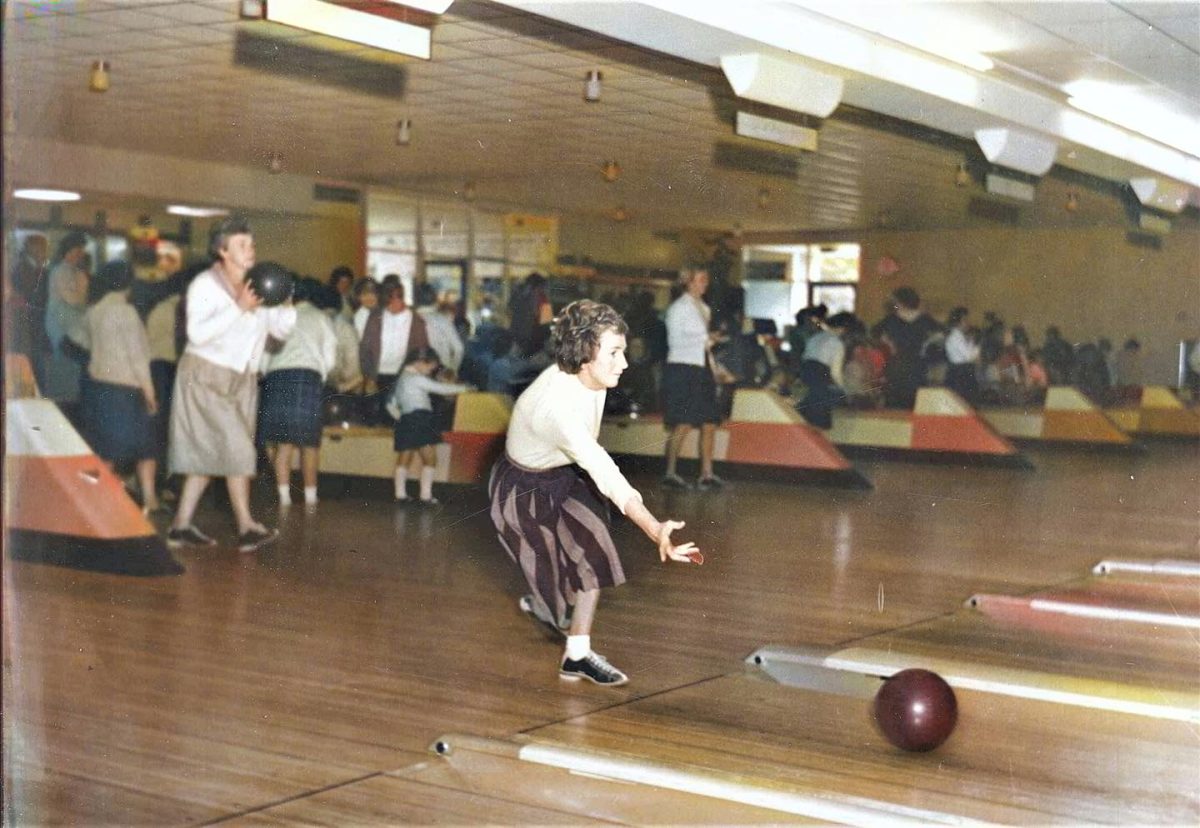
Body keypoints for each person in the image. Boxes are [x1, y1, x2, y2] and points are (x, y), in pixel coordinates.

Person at [488, 299, 700, 687]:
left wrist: (652, 526)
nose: (624, 363)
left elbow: (594, 464)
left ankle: (578, 655)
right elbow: (602, 467)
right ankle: (542, 605)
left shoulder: (594, 376)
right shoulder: (556, 407)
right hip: (521, 492)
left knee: (595, 549)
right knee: (554, 603)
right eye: (614, 353)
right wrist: (653, 529)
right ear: (585, 355)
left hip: (563, 474)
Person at [167, 218, 296, 552]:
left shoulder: (258, 285)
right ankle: (247, 527)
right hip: (205, 375)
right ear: (222, 250)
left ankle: (180, 526)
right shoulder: (205, 285)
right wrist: (239, 307)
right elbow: (197, 334)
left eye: (251, 244)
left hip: (242, 379)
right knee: (238, 450)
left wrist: (284, 303)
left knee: (208, 457)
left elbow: (280, 334)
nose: (250, 250)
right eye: (242, 245)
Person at [69, 260, 162, 514]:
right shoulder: (126, 312)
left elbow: (80, 341)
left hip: (99, 388)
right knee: (147, 447)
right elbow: (138, 357)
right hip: (126, 390)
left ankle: (94, 501)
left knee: (104, 450)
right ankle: (150, 499)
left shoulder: (94, 310)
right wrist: (150, 393)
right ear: (129, 284)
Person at [260, 277, 337, 507]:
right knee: (309, 444)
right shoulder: (320, 316)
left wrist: (267, 372)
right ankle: (311, 498)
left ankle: (284, 498)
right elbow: (330, 352)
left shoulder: (276, 317)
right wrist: (320, 373)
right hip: (307, 377)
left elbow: (265, 353)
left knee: (282, 444)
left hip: (277, 377)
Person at [661, 267, 724, 489]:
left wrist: (714, 367)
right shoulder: (678, 308)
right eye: (700, 279)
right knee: (684, 421)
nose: (704, 283)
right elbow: (675, 341)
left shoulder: (704, 308)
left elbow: (703, 344)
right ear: (688, 282)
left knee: (709, 422)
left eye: (706, 279)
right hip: (683, 368)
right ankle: (670, 473)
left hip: (701, 367)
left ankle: (706, 474)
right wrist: (706, 338)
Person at [387, 346, 470, 504]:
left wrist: (403, 416)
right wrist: (465, 388)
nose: (430, 371)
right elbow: (440, 389)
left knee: (405, 457)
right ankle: (425, 496)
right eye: (429, 367)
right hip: (420, 419)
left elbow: (392, 404)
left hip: (406, 419)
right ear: (419, 362)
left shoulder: (402, 378)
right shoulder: (416, 378)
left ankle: (400, 495)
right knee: (430, 459)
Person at [358, 279, 429, 424]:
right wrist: (368, 376)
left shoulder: (416, 321)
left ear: (400, 297)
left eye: (392, 302)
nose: (389, 308)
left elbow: (422, 350)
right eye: (386, 303)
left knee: (398, 419)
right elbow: (365, 348)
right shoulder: (376, 316)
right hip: (377, 375)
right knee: (375, 419)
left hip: (402, 376)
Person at [42, 231, 91, 410]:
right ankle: (63, 405)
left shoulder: (77, 272)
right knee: (64, 366)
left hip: (73, 327)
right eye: (77, 251)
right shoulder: (59, 271)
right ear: (68, 251)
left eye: (81, 251)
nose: (79, 255)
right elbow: (74, 299)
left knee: (72, 369)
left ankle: (70, 404)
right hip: (60, 326)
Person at [873, 286, 939, 409]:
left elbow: (875, 332)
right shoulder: (924, 319)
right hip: (916, 363)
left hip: (897, 362)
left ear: (900, 301)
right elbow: (941, 334)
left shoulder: (891, 319)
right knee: (915, 403)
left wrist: (889, 343)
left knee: (895, 403)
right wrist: (926, 344)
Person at [798, 312, 854, 429]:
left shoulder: (814, 338)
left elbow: (804, 358)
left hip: (806, 375)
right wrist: (844, 391)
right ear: (843, 329)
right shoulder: (837, 343)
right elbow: (835, 373)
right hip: (821, 379)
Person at [943, 306, 980, 403]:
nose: (968, 322)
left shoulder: (960, 336)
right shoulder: (955, 337)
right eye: (965, 319)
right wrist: (979, 347)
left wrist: (972, 341)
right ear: (959, 321)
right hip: (960, 374)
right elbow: (969, 356)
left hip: (963, 372)